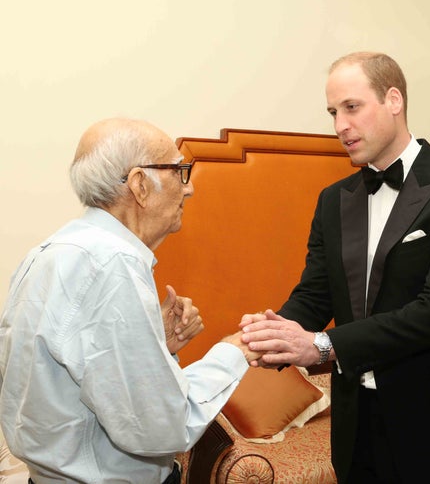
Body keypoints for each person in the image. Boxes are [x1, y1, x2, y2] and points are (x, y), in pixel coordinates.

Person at [240, 51, 430, 483]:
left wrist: (323, 346)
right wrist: (274, 335)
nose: (340, 125)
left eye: (352, 107)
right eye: (333, 112)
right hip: (354, 423)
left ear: (394, 100)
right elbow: (316, 292)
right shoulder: (333, 199)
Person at [0, 118, 262, 483]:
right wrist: (233, 352)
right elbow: (163, 427)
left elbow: (73, 378)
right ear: (140, 184)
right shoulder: (112, 265)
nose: (189, 189)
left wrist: (157, 343)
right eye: (179, 171)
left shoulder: (51, 252)